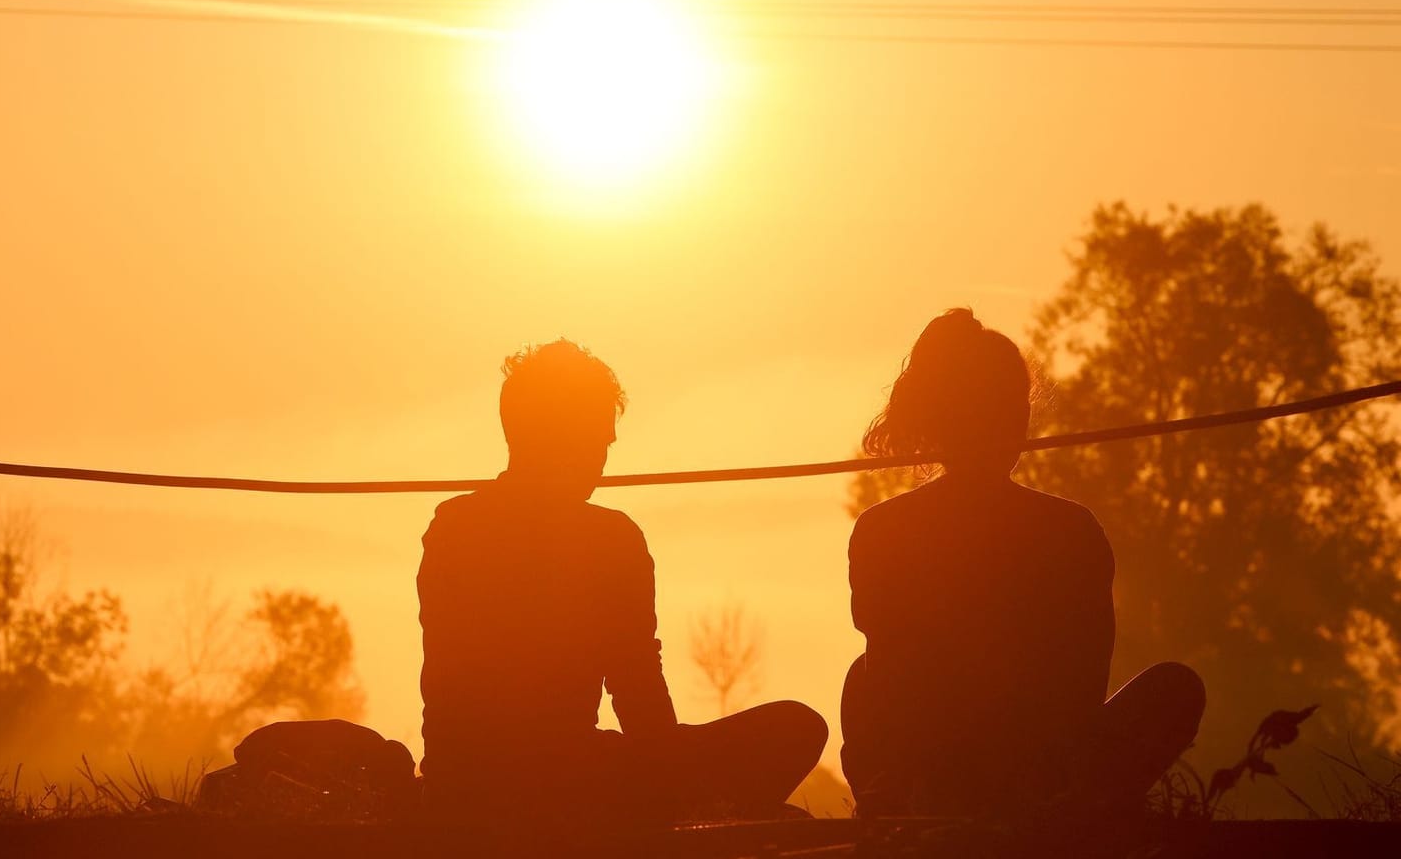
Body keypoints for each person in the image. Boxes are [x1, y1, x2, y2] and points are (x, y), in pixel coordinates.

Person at [418, 339, 827, 823]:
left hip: (462, 778)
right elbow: (637, 689)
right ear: (565, 439)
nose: (602, 460)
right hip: (571, 777)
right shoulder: (609, 538)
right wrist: (671, 776)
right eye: (598, 441)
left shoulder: (451, 527)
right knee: (795, 727)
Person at [841, 309, 1205, 818]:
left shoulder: (881, 529)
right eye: (1001, 410)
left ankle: (912, 806)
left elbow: (892, 682)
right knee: (1174, 691)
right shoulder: (1071, 529)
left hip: (941, 776)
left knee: (861, 680)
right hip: (1042, 776)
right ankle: (1047, 811)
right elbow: (1085, 685)